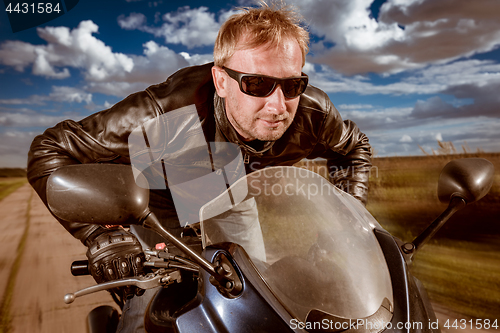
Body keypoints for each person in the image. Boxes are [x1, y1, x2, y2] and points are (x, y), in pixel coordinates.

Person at [27, 2, 372, 332]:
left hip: (229, 196)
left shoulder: (314, 113)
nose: (278, 106)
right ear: (221, 81)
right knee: (147, 312)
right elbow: (49, 150)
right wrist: (102, 236)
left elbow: (355, 148)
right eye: (257, 84)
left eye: (293, 84)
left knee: (258, 300)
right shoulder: (167, 111)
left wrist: (344, 228)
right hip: (155, 207)